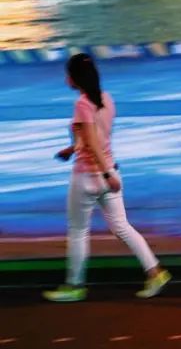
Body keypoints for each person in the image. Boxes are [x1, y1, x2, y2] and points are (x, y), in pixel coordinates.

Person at [44, 54, 171, 303]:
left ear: (75, 78)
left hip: (89, 177)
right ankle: (156, 272)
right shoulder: (107, 99)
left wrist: (105, 173)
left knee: (78, 231)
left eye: (68, 74)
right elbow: (95, 139)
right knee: (122, 227)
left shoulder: (82, 104)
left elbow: (92, 144)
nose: (66, 79)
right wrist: (73, 150)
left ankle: (74, 286)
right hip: (110, 170)